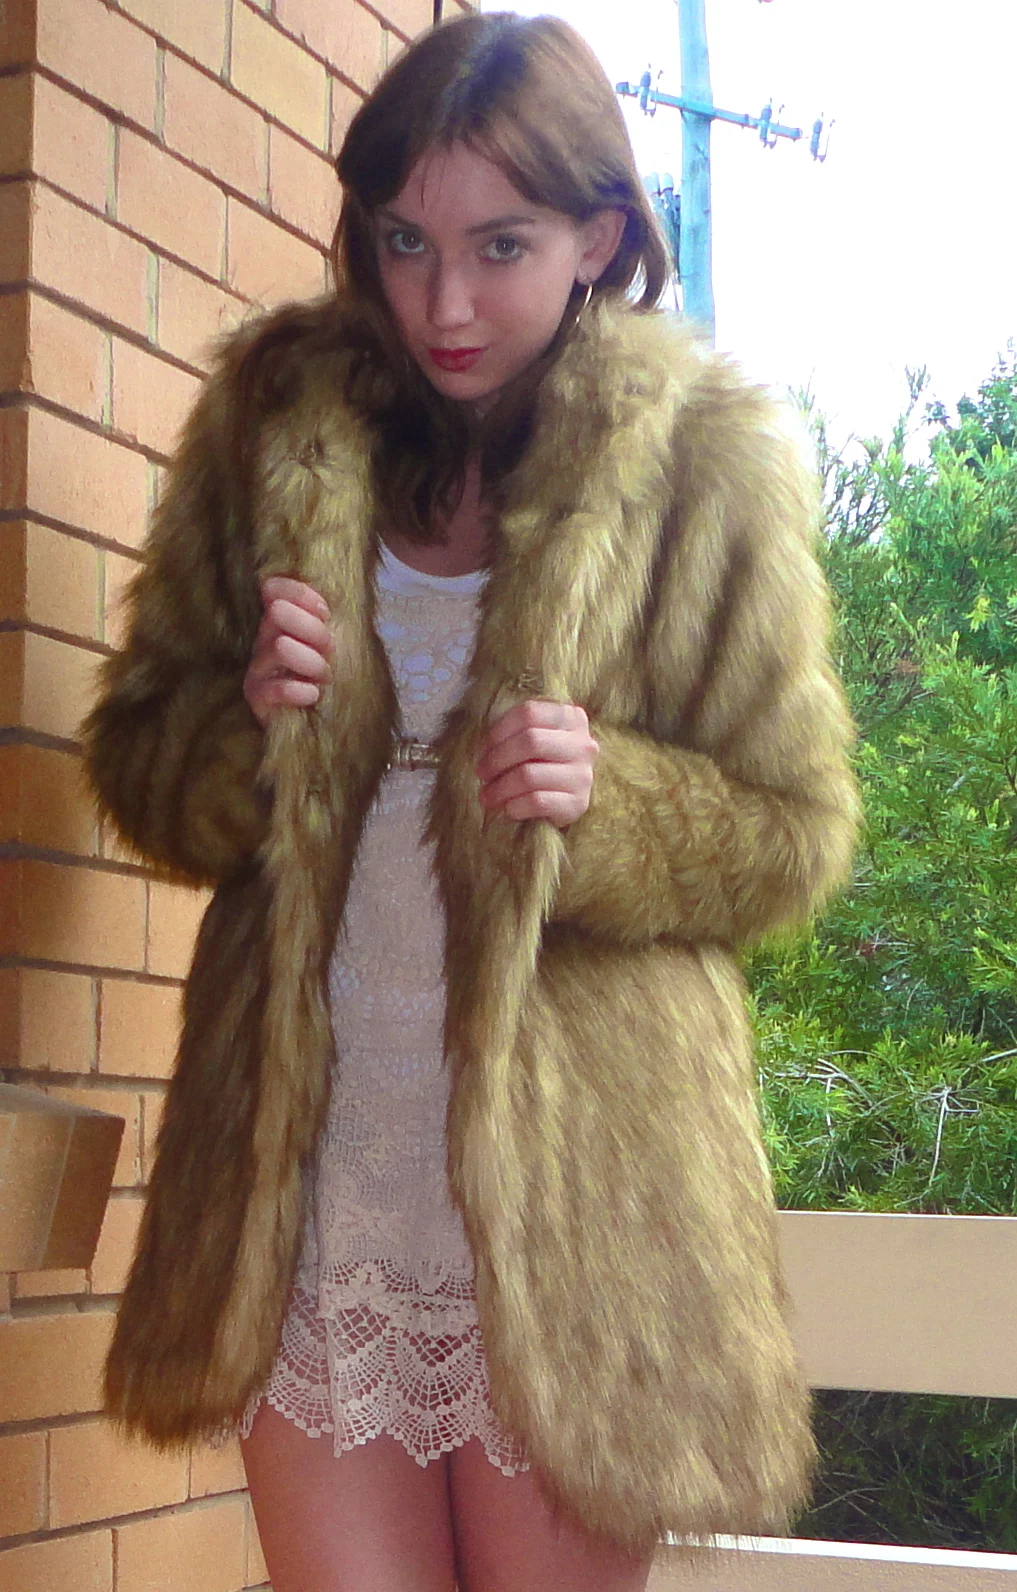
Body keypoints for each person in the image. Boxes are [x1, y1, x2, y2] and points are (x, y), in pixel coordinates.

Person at [83, 12, 859, 1592]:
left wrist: (616, 803)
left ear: (600, 238)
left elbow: (795, 827)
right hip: (310, 1193)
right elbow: (140, 762)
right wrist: (249, 727)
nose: (443, 302)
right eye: (404, 242)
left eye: (500, 246)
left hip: (577, 1221)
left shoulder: (699, 466)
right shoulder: (275, 428)